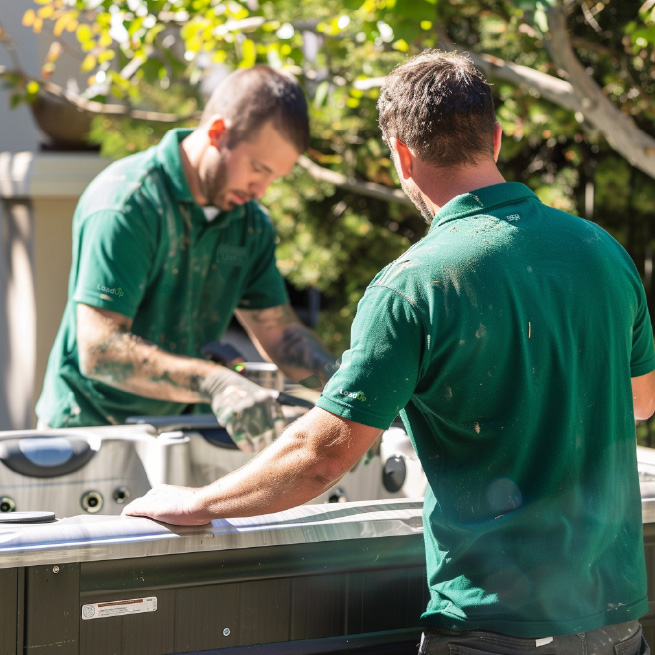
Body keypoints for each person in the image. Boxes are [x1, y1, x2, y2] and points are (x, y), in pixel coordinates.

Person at [123, 50, 655, 654]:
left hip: (493, 629)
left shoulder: (414, 285)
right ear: (496, 138)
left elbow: (322, 457)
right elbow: (640, 401)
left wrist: (195, 502)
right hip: (617, 625)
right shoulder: (603, 252)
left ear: (400, 154)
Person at [36, 65, 336, 447]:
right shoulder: (127, 205)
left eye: (274, 177)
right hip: (91, 432)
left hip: (184, 432)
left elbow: (280, 333)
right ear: (216, 133)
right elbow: (100, 350)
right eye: (257, 169)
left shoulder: (249, 224)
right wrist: (215, 381)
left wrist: (344, 381)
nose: (261, 189)